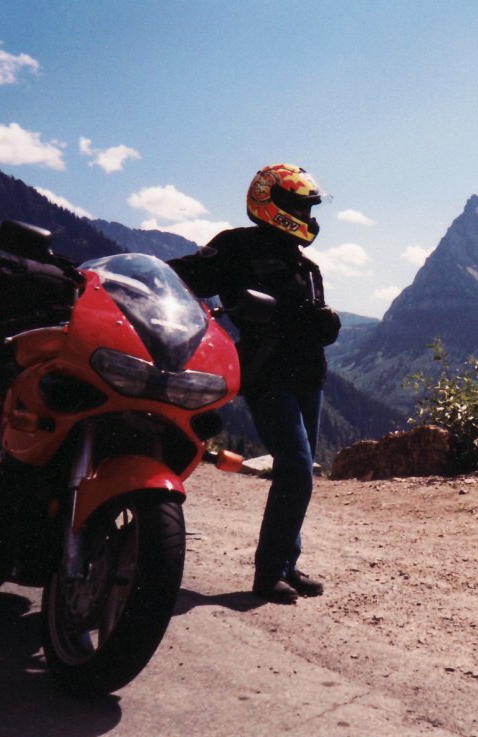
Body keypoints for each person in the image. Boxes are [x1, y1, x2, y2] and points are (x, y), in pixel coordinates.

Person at [169, 163, 341, 604]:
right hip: (267, 377)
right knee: (297, 470)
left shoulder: (305, 265)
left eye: (308, 206)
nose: (308, 214)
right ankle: (268, 574)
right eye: (300, 205)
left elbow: (308, 323)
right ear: (273, 204)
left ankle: (287, 563)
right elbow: (181, 275)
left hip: (308, 379)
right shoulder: (235, 247)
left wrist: (325, 324)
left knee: (298, 475)